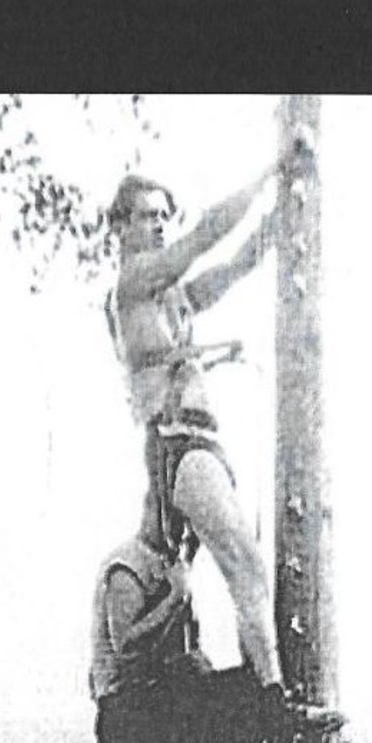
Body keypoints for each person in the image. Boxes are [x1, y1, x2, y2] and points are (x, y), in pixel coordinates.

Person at [104, 155, 295, 699]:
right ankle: (273, 697)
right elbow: (207, 234)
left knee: (246, 567)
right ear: (119, 227)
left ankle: (267, 695)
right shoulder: (135, 284)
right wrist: (271, 171)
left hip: (199, 442)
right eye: (146, 215)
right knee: (243, 560)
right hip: (176, 441)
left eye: (164, 214)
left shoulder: (171, 298)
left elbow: (233, 267)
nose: (160, 224)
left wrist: (275, 223)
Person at [89, 492, 266, 743]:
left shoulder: (168, 564)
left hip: (156, 701)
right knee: (178, 689)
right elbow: (125, 645)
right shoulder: (127, 568)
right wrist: (174, 598)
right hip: (124, 715)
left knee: (249, 691)